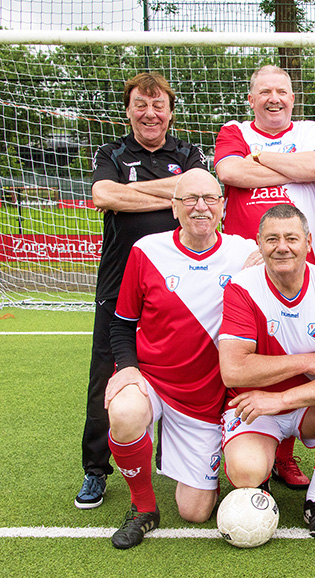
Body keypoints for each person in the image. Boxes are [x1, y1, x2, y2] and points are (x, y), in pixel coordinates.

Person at [104, 169, 258, 549]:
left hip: (204, 397)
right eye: (189, 199)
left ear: (223, 207)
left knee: (195, 511)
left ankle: (203, 459)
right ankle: (143, 508)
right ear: (174, 208)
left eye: (209, 199)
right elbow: (121, 325)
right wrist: (127, 369)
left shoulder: (245, 254)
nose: (200, 207)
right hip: (154, 381)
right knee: (124, 411)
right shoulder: (147, 251)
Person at [78, 72, 206, 511]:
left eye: (158, 105)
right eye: (141, 105)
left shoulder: (188, 152)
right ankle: (95, 470)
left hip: (179, 287)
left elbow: (200, 196)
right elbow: (103, 195)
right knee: (106, 376)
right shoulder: (111, 151)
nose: (150, 113)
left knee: (190, 368)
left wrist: (130, 192)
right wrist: (171, 193)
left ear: (170, 111)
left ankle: (194, 455)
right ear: (129, 109)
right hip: (118, 282)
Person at [214, 64, 315, 490]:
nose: (274, 98)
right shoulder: (233, 129)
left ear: (292, 97)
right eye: (264, 92)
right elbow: (230, 174)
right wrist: (291, 167)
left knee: (300, 357)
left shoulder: (310, 129)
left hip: (304, 267)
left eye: (281, 91)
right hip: (249, 270)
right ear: (251, 99)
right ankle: (244, 436)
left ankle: (284, 456)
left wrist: (262, 157)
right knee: (250, 357)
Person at [219, 204, 315, 538]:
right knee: (245, 472)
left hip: (303, 405)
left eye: (291, 238)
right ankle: (262, 472)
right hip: (254, 406)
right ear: (258, 242)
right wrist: (307, 361)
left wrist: (282, 399)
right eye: (271, 239)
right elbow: (234, 370)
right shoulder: (241, 287)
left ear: (309, 242)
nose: (281, 246)